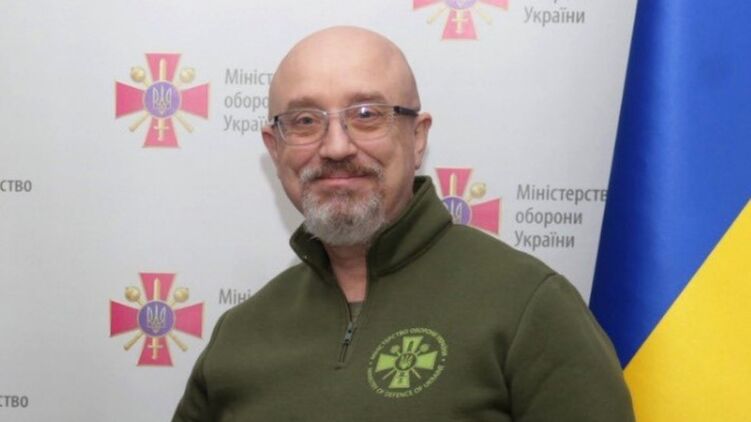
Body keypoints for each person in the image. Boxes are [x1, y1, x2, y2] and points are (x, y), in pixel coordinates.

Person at [172, 26, 634, 421]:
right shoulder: (240, 334)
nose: (336, 147)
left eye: (366, 115)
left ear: (418, 137)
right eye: (306, 120)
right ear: (275, 149)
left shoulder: (528, 306)